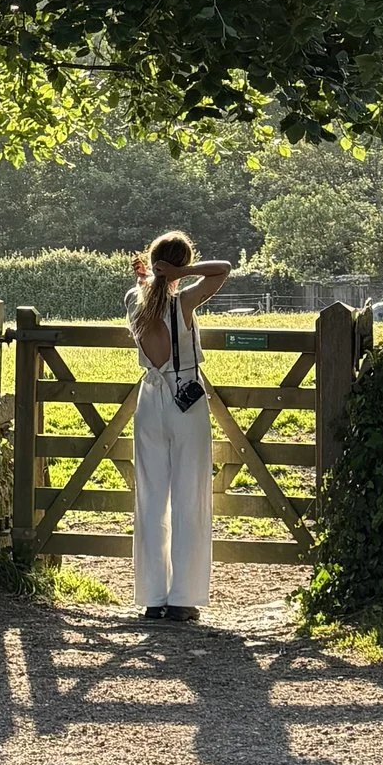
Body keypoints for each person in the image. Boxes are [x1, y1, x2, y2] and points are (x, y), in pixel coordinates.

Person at [127, 230, 234, 621]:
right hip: (185, 398)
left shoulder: (133, 299)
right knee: (189, 496)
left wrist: (154, 276)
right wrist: (180, 274)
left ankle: (153, 597)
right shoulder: (184, 302)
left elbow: (148, 292)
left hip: (149, 398)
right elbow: (223, 269)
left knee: (151, 499)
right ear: (180, 267)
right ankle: (183, 598)